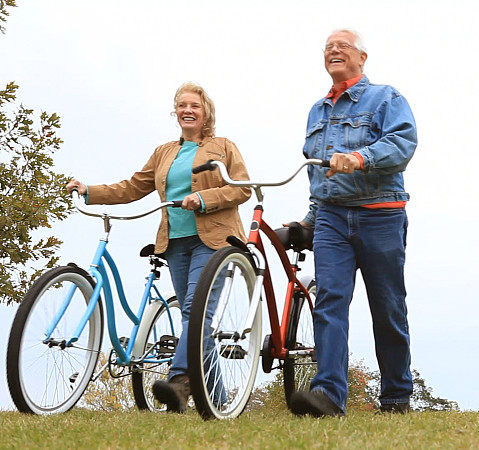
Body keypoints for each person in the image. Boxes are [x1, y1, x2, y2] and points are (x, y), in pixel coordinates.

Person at [66, 82, 251, 413]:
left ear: (206, 112)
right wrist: (90, 191)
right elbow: (133, 187)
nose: (187, 110)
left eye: (194, 105)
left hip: (215, 240)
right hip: (175, 243)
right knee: (193, 320)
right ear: (175, 112)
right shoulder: (164, 152)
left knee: (196, 311)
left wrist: (204, 199)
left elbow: (241, 188)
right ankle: (220, 401)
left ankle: (180, 382)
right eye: (181, 105)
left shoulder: (223, 147)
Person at [289, 29, 418, 417]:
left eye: (342, 46)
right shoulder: (317, 110)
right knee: (328, 301)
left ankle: (396, 397)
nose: (333, 50)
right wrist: (309, 220)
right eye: (328, 47)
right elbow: (317, 173)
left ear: (362, 57)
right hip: (331, 219)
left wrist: (361, 156)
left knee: (388, 307)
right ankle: (328, 395)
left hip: (380, 214)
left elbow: (402, 144)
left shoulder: (386, 98)